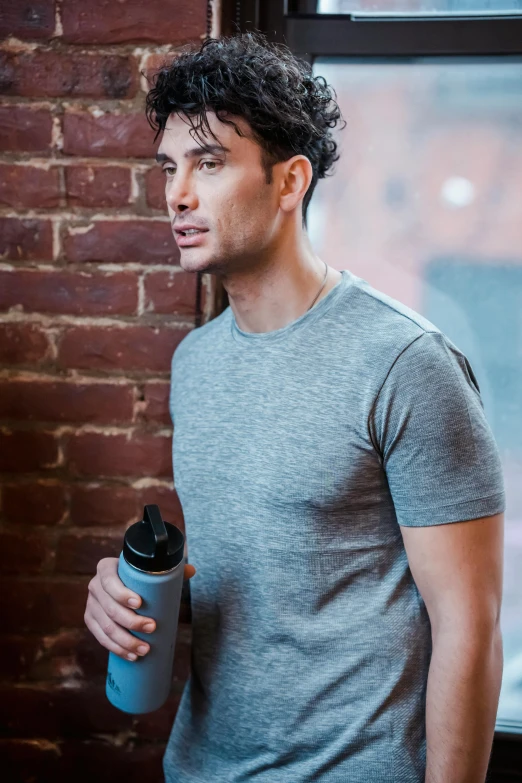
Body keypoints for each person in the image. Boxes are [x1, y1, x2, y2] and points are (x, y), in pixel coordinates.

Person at [84, 32, 505, 783]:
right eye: (170, 167)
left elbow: (468, 628)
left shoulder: (404, 363)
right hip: (201, 767)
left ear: (290, 183)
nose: (177, 193)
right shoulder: (196, 364)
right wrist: (134, 596)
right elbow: (254, 579)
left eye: (209, 164)